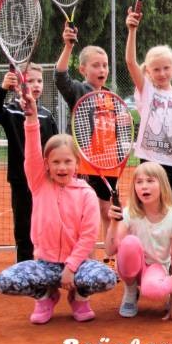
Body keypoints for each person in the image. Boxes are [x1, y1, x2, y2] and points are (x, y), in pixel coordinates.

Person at [0, 90, 117, 323]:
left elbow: (89, 236)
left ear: (77, 164)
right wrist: (31, 118)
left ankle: (79, 297)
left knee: (106, 278)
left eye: (67, 161)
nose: (62, 167)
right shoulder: (39, 184)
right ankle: (46, 296)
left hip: (78, 264)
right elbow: (31, 153)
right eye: (56, 162)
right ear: (46, 164)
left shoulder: (87, 194)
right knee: (5, 281)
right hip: (45, 263)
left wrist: (71, 267)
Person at [55, 25, 118, 262]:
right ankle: (87, 260)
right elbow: (60, 77)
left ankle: (110, 259)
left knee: (108, 212)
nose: (102, 69)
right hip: (85, 165)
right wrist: (68, 46)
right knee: (86, 214)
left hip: (109, 164)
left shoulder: (111, 96)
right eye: (96, 65)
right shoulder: (79, 91)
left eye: (105, 65)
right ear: (83, 69)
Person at [0, 65, 58, 263]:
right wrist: (3, 88)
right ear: (18, 86)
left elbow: (54, 145)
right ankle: (25, 266)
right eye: (30, 81)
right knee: (24, 226)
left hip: (45, 180)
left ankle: (47, 262)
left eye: (39, 81)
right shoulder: (11, 111)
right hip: (21, 180)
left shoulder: (46, 115)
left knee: (46, 222)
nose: (36, 85)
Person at [124, 8, 172, 209]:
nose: (162, 73)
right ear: (148, 71)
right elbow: (130, 62)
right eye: (156, 69)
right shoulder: (146, 91)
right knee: (146, 211)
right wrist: (132, 30)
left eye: (166, 68)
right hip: (149, 162)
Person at [105, 162, 172, 323]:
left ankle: (169, 285)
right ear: (134, 188)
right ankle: (131, 291)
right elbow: (110, 250)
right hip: (132, 269)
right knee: (129, 243)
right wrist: (114, 223)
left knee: (154, 290)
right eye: (139, 182)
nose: (144, 186)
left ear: (162, 185)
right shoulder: (129, 213)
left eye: (150, 181)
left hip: (156, 268)